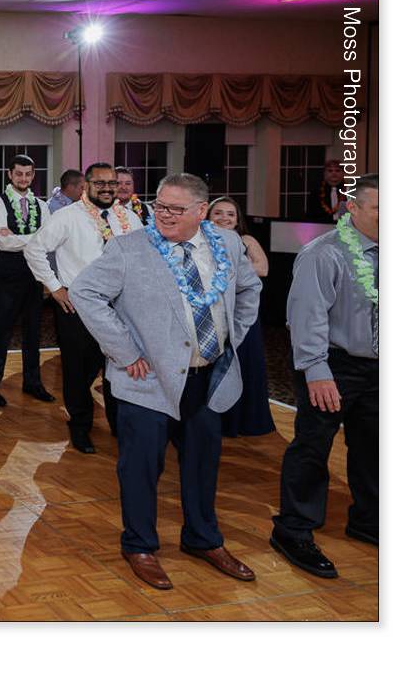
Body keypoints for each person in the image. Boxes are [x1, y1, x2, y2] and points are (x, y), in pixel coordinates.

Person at [70, 173, 261, 591]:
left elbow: (249, 289)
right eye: (160, 206)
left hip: (206, 379)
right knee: (141, 467)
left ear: (201, 212)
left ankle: (203, 539)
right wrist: (124, 351)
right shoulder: (128, 247)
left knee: (202, 464)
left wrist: (232, 336)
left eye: (176, 209)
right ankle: (139, 544)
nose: (164, 215)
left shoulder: (227, 245)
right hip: (147, 381)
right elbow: (84, 293)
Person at [271, 174, 378, 579]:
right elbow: (305, 317)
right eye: (378, 208)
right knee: (313, 447)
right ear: (353, 208)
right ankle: (293, 529)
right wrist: (316, 371)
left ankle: (368, 521)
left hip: (377, 366)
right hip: (331, 364)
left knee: (372, 447)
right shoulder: (324, 254)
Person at [24, 163, 144, 453]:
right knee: (78, 370)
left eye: (111, 183)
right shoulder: (68, 217)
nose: (106, 188)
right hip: (77, 307)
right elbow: (34, 248)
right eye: (100, 183)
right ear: (86, 185)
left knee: (119, 367)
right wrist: (55, 287)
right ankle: (79, 427)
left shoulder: (129, 219)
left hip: (119, 309)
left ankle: (120, 425)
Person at [0, 155, 54, 407]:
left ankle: (33, 382)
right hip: (8, 275)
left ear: (33, 176)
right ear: (10, 175)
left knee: (33, 330)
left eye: (28, 174)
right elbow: (2, 242)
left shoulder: (42, 206)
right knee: (0, 330)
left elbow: (49, 239)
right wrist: (35, 238)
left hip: (35, 274)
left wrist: (20, 238)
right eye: (19, 173)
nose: (23, 178)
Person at [207, 197, 275, 437]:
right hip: (211, 312)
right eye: (218, 213)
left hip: (242, 312)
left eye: (230, 214)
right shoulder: (200, 239)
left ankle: (243, 420)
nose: (224, 218)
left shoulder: (246, 240)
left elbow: (263, 269)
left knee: (243, 362)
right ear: (207, 215)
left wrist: (230, 265)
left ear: (238, 220)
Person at [308, 156, 349, 222]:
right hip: (322, 227)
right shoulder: (316, 192)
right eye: (330, 171)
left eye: (337, 170)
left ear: (343, 173)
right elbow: (311, 215)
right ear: (325, 173)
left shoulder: (350, 191)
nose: (334, 173)